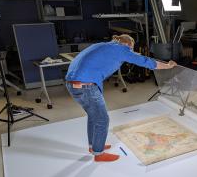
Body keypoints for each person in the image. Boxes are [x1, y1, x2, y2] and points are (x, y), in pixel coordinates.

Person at [65, 34, 177, 162]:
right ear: (128, 45)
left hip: (72, 84)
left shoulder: (104, 45)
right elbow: (145, 62)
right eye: (131, 49)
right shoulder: (121, 50)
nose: (130, 52)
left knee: (93, 116)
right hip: (87, 87)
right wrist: (168, 66)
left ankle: (94, 146)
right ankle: (99, 154)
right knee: (102, 120)